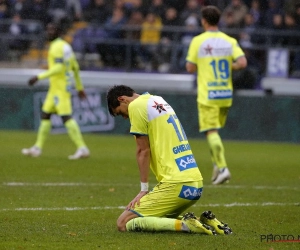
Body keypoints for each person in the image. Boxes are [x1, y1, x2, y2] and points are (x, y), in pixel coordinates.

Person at [106, 84, 232, 235]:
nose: (125, 117)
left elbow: (143, 150)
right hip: (195, 184)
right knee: (157, 218)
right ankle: (205, 221)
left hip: (175, 184)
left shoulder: (136, 106)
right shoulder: (158, 100)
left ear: (122, 99)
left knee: (123, 223)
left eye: (121, 113)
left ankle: (186, 225)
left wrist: (143, 190)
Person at [185, 6, 247, 184]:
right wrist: (229, 66)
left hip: (208, 94)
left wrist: (202, 64)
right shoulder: (228, 40)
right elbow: (242, 62)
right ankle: (216, 169)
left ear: (204, 20)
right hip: (225, 93)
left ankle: (223, 168)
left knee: (211, 132)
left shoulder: (198, 41)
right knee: (215, 132)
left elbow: (189, 67)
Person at [22, 22, 90, 160]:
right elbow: (75, 67)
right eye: (48, 29)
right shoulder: (66, 46)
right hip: (56, 88)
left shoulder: (56, 47)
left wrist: (38, 76)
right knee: (45, 116)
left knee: (66, 117)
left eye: (52, 29)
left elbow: (59, 68)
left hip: (60, 88)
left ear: (58, 32)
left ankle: (82, 148)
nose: (48, 32)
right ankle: (37, 148)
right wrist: (79, 87)